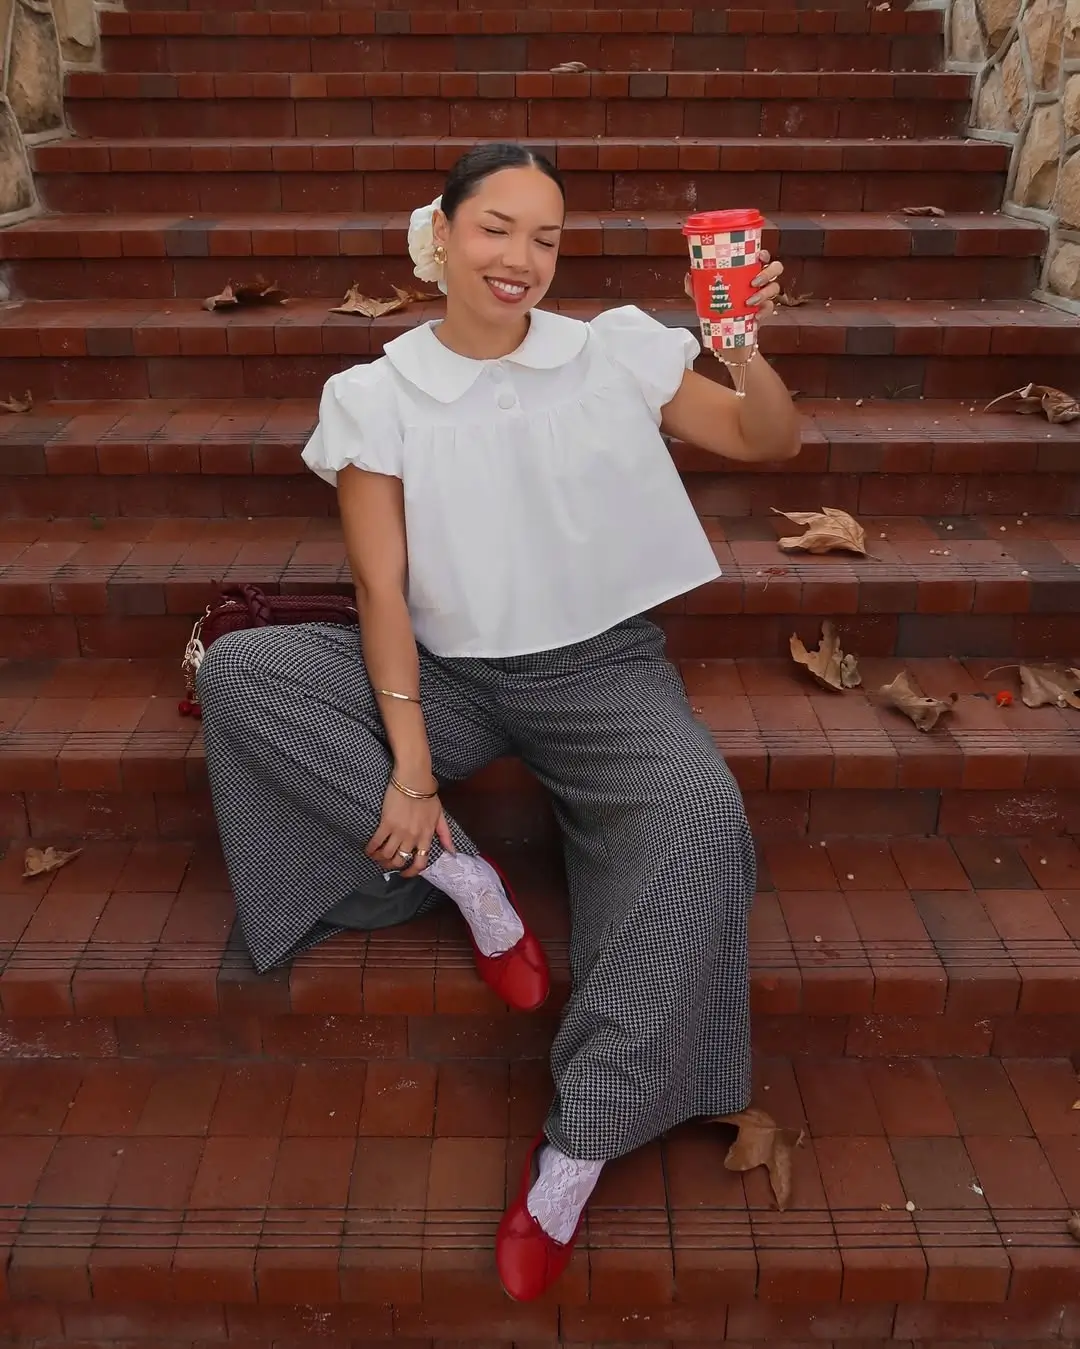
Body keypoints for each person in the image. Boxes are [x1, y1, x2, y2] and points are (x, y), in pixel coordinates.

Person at [196, 142, 798, 1302]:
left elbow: (766, 440)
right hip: (448, 671)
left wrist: (737, 346)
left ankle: (580, 1143)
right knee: (245, 673)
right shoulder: (375, 394)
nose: (521, 256)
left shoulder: (612, 350)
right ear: (443, 234)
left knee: (701, 814)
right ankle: (465, 878)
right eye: (496, 227)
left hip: (604, 672)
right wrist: (413, 771)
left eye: (546, 237)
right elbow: (380, 589)